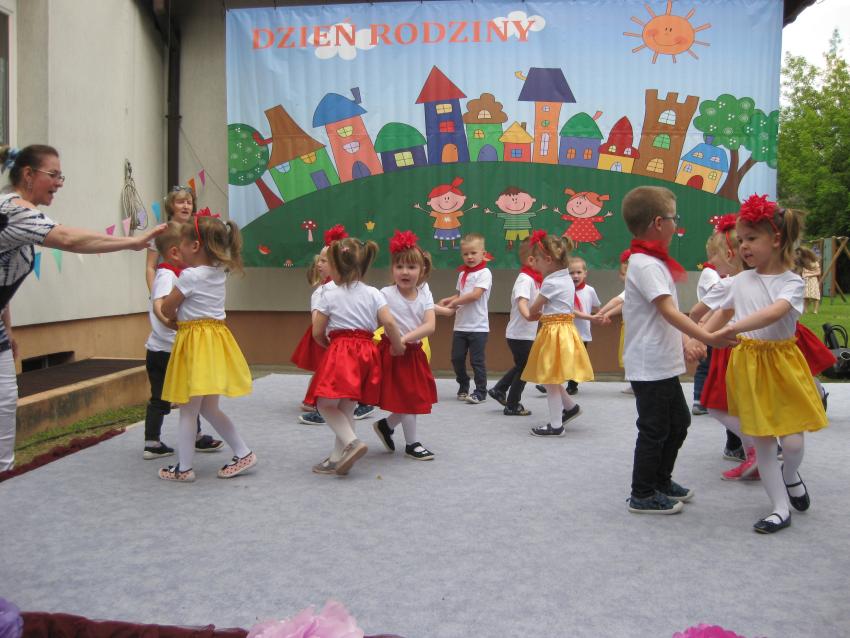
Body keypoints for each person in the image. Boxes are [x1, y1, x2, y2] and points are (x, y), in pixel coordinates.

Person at [0, 144, 165, 472]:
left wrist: (8, 329)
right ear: (28, 174)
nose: (59, 183)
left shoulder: (20, 210)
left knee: (5, 400)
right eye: (53, 175)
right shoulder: (13, 209)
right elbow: (70, 239)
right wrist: (132, 242)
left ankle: (5, 472)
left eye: (61, 176)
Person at [714, 196, 828, 533]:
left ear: (776, 239)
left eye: (751, 238)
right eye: (741, 240)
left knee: (792, 443)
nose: (743, 247)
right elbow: (721, 311)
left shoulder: (792, 282)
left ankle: (790, 475)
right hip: (749, 365)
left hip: (782, 364)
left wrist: (733, 328)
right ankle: (779, 508)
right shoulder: (740, 281)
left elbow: (775, 312)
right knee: (763, 442)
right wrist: (698, 337)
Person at [620, 186, 734, 515]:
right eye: (675, 217)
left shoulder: (653, 262)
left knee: (679, 422)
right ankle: (642, 493)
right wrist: (707, 337)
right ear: (659, 222)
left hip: (662, 362)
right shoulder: (645, 264)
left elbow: (665, 316)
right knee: (655, 428)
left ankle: (661, 480)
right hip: (650, 364)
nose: (676, 224)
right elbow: (669, 312)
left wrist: (687, 341)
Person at [158, 215, 255, 482]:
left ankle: (184, 469)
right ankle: (243, 452)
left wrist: (169, 313)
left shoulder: (190, 276)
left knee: (188, 410)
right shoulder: (217, 272)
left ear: (195, 246)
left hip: (196, 347)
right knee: (209, 408)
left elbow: (167, 307)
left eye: (182, 243)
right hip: (214, 344)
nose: (179, 248)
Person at [305, 237, 404, 476]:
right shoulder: (373, 293)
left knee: (324, 404)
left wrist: (327, 345)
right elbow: (390, 323)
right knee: (347, 406)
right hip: (367, 351)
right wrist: (398, 346)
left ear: (336, 267)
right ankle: (337, 458)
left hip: (342, 349)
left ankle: (352, 442)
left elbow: (317, 331)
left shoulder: (328, 294)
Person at [520, 230, 594, 436]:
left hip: (554, 332)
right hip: (564, 330)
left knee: (550, 379)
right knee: (550, 376)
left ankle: (555, 425)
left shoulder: (551, 282)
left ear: (548, 260)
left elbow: (533, 310)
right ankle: (570, 407)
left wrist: (523, 306)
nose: (534, 264)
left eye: (537, 259)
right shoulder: (565, 278)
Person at [372, 230, 438, 460]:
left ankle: (386, 426)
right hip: (392, 352)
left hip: (412, 352)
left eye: (411, 267)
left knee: (412, 397)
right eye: (399, 266)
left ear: (422, 270)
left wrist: (404, 339)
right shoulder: (385, 294)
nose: (405, 272)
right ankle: (412, 444)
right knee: (409, 398)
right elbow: (374, 320)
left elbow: (430, 325)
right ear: (392, 269)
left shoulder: (424, 294)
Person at [691, 215, 745, 462]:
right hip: (739, 347)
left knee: (728, 400)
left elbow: (697, 312)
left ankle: (745, 444)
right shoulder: (746, 281)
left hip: (734, 348)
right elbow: (720, 311)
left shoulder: (728, 284)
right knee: (740, 399)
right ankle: (748, 444)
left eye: (714, 255)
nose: (710, 261)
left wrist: (698, 334)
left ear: (730, 255)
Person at [487, 237, 540, 416]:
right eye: (545, 258)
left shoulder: (535, 279)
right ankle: (512, 404)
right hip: (519, 334)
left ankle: (499, 389)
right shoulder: (525, 279)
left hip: (525, 334)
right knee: (525, 369)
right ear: (531, 260)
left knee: (522, 366)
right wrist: (528, 315)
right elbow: (522, 301)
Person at [438, 232, 492, 404]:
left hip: (478, 327)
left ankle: (481, 391)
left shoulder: (484, 272)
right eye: (466, 254)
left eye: (473, 253)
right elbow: (460, 294)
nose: (469, 257)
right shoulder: (462, 274)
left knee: (477, 361)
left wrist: (454, 304)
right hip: (460, 326)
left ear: (483, 253)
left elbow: (475, 295)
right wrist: (449, 300)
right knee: (457, 359)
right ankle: (463, 384)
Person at [145, 186, 195, 293]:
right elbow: (150, 267)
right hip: (166, 288)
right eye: (180, 202)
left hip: (190, 290)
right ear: (171, 205)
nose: (186, 206)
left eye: (189, 203)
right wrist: (154, 294)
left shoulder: (196, 232)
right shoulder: (159, 231)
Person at [596, 249, 631, 394]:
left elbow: (617, 301)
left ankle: (638, 384)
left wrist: (601, 312)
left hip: (636, 329)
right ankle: (634, 384)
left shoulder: (633, 288)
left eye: (627, 273)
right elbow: (623, 305)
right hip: (629, 327)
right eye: (622, 274)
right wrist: (606, 314)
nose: (624, 277)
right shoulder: (630, 290)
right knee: (628, 355)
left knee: (633, 356)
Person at [567, 256, 600, 395]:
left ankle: (572, 386)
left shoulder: (589, 290)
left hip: (582, 332)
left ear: (585, 273)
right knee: (564, 357)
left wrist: (601, 316)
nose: (575, 276)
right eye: (571, 273)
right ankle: (552, 382)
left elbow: (596, 306)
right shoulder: (565, 291)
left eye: (578, 272)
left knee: (577, 360)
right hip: (566, 331)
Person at [796, 246, 821, 314]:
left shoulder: (814, 262)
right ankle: (805, 310)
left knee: (815, 296)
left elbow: (818, 272)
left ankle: (815, 310)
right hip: (805, 280)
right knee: (806, 296)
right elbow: (803, 272)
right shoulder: (802, 262)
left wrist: (809, 274)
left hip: (813, 280)